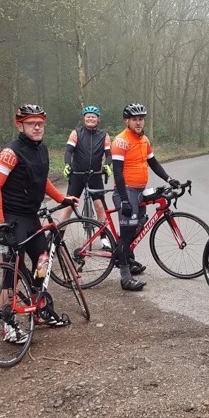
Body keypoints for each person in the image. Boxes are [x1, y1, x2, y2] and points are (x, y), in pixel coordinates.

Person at [0, 104, 77, 343]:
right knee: (12, 272)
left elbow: (41, 180)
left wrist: (62, 198)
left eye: (40, 123)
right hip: (12, 218)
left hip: (31, 216)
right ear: (20, 125)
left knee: (43, 260)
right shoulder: (10, 152)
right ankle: (8, 324)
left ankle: (39, 307)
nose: (37, 127)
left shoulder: (42, 149)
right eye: (31, 123)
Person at [111, 103, 180, 291]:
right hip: (125, 192)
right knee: (126, 235)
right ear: (127, 121)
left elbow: (153, 163)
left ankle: (124, 256)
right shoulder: (120, 141)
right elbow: (117, 173)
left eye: (141, 119)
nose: (138, 122)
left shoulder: (144, 140)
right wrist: (124, 199)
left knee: (140, 223)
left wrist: (169, 178)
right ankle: (125, 277)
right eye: (135, 119)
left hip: (139, 191)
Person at [58, 105, 113, 250]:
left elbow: (109, 154)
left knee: (100, 207)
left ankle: (104, 239)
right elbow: (69, 151)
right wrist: (67, 164)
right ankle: (57, 238)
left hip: (95, 175)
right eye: (88, 116)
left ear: (98, 119)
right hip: (77, 174)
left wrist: (107, 165)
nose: (90, 119)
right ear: (84, 119)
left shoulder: (104, 135)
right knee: (69, 205)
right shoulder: (76, 133)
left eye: (93, 117)